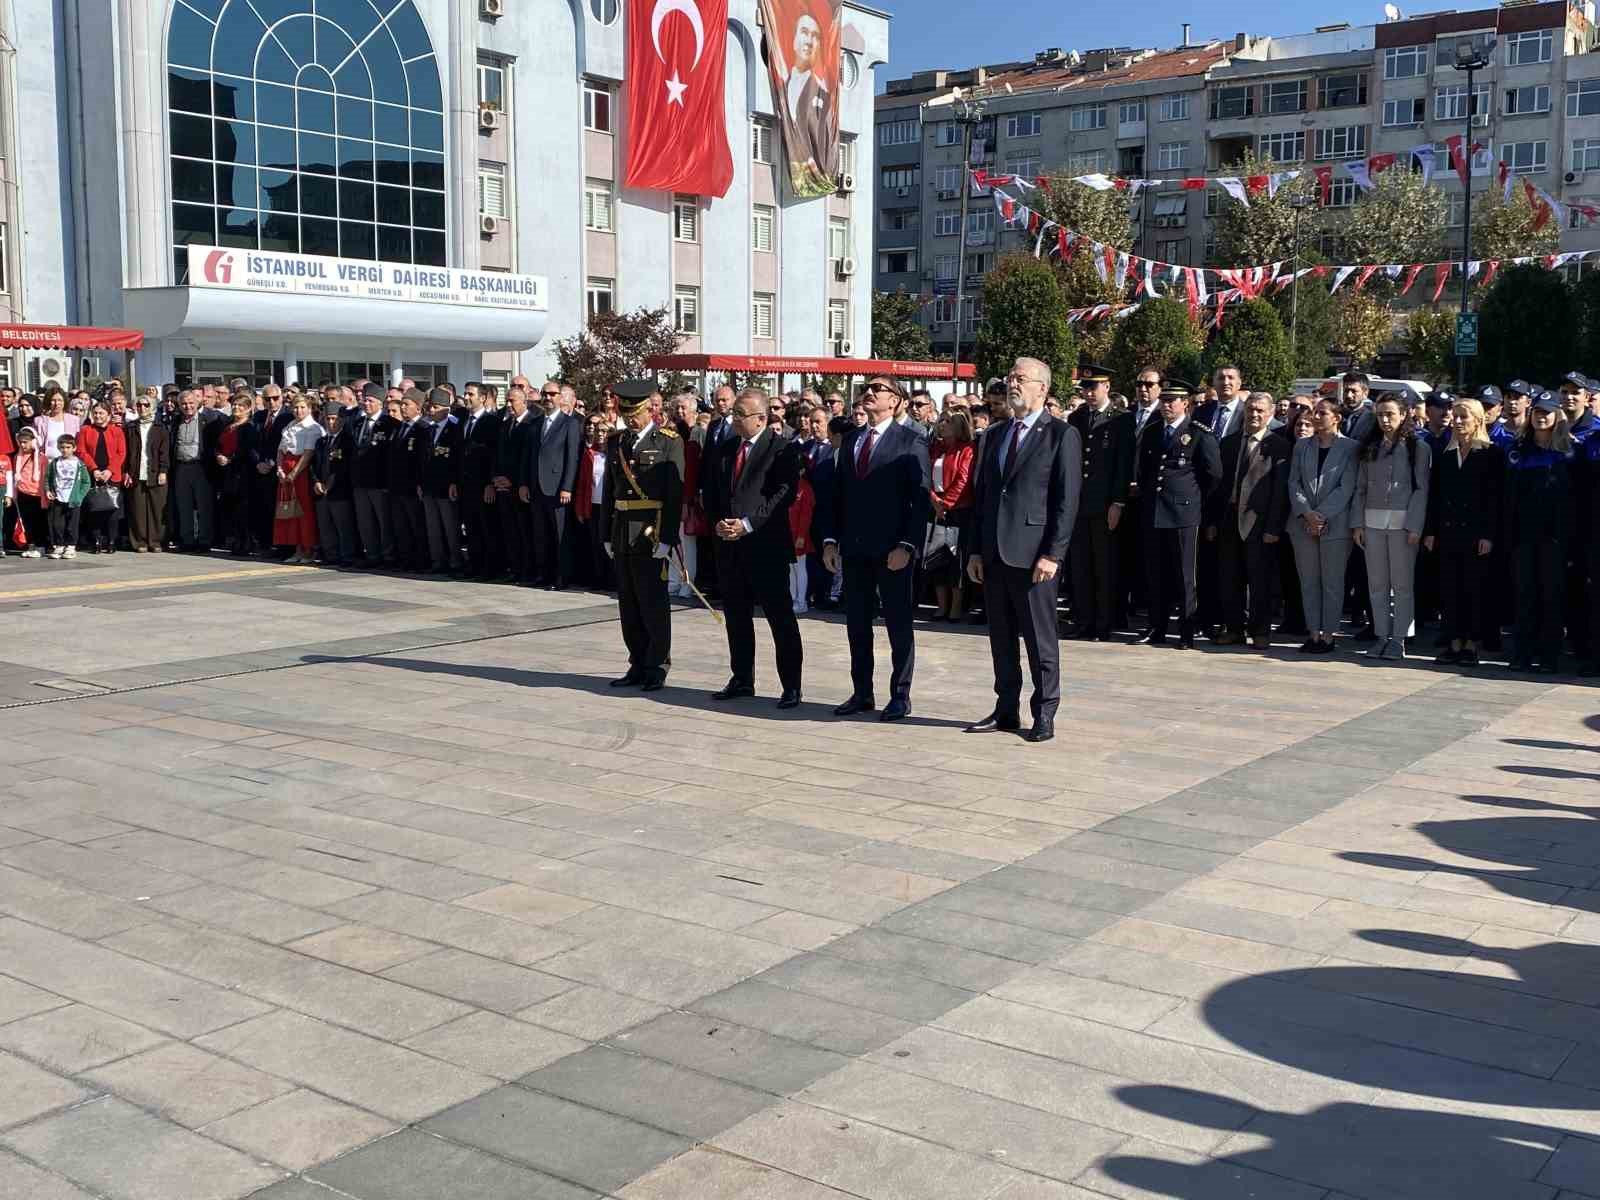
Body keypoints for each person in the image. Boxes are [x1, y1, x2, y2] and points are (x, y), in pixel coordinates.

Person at [965, 357, 1082, 743]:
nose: (1012, 383)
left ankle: (1045, 711)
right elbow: (982, 498)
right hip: (996, 552)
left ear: (1042, 388)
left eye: (1021, 378)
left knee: (1039, 639)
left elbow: (1066, 502)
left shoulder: (1060, 435)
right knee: (1001, 637)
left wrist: (1054, 553)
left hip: (1035, 557)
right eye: (1010, 377)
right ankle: (1005, 709)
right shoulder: (995, 435)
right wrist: (977, 551)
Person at [820, 376, 930, 722]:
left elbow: (920, 501)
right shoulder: (851, 440)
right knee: (856, 623)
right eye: (867, 387)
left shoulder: (911, 441)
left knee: (898, 623)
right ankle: (861, 692)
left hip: (892, 550)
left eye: (879, 389)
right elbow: (836, 496)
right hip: (854, 548)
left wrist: (908, 545)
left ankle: (900, 695)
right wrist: (829, 539)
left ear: (895, 401)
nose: (869, 392)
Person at [702, 387, 806, 708]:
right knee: (736, 615)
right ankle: (742, 678)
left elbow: (782, 495)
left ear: (761, 418)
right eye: (732, 414)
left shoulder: (781, 448)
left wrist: (747, 524)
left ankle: (791, 685)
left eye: (740, 415)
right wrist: (720, 521)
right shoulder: (727, 447)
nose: (733, 420)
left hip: (765, 546)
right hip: (730, 546)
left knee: (779, 617)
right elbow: (715, 490)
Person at [601, 380, 683, 691]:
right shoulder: (616, 442)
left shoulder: (668, 442)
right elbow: (609, 491)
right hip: (623, 530)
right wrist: (605, 534)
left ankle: (657, 665)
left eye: (634, 413)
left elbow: (674, 495)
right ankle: (636, 662)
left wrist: (667, 539)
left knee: (653, 603)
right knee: (629, 603)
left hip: (651, 531)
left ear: (649, 409)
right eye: (625, 413)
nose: (629, 419)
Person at [1134, 379, 1221, 649]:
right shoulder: (1151, 431)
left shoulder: (1198, 433)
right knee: (1155, 574)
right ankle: (1156, 627)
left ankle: (1186, 630)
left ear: (1186, 403)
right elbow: (1146, 471)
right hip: (1155, 512)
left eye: (1173, 400)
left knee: (1185, 576)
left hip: (1184, 514)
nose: (1167, 405)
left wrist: (1195, 503)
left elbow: (1214, 476)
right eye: (1164, 400)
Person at [1352, 393, 1432, 661]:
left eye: (1390, 414)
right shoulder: (1370, 446)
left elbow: (1421, 489)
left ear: (1403, 415)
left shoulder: (1417, 447)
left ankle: (1399, 638)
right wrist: (1357, 524)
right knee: (1376, 584)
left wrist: (1415, 526)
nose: (1386, 420)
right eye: (1381, 415)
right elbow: (1360, 488)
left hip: (1402, 524)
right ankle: (1381, 635)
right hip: (1372, 522)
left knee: (1402, 584)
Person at [1208, 392, 1290, 649]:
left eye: (1260, 411)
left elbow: (1280, 492)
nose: (1254, 415)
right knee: (1229, 578)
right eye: (1251, 409)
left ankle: (1260, 630)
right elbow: (1217, 486)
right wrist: (1212, 521)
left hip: (1259, 523)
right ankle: (1233, 628)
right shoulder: (1229, 443)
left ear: (1271, 413)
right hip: (1228, 520)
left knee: (1259, 580)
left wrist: (1273, 527)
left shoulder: (1278, 445)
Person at [1427, 398, 1503, 668]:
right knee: (1449, 588)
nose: (1457, 422)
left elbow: (1494, 499)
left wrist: (1488, 535)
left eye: (1463, 417)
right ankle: (1453, 642)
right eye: (1455, 416)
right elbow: (1435, 496)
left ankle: (1471, 643)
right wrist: (1431, 531)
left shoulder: (1492, 453)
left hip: (1475, 535)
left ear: (1478, 420)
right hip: (1448, 533)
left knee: (1474, 589)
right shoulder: (1446, 455)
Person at [1506, 390, 1574, 674]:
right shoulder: (1519, 450)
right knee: (1524, 596)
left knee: (1551, 597)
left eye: (1547, 412)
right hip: (1524, 536)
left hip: (1555, 538)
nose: (1541, 417)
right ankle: (1522, 653)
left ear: (1557, 416)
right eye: (1537, 412)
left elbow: (1574, 502)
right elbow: (1510, 498)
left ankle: (1549, 656)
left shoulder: (1569, 452)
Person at [1066, 363, 1136, 641]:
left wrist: (1118, 502)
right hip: (1080, 503)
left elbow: (1123, 464)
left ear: (1107, 386)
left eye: (1093, 387)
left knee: (1104, 567)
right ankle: (1083, 620)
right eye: (1085, 388)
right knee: (1080, 565)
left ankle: (1103, 623)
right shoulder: (1078, 418)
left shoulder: (1120, 419)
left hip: (1105, 503)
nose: (1089, 393)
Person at [1287, 396, 1359, 655]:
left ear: (1336, 418)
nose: (1316, 417)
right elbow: (1293, 483)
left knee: (1332, 582)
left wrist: (1320, 515)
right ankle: (1313, 633)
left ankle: (1328, 635)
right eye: (1315, 413)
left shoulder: (1351, 448)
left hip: (1336, 526)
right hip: (1302, 525)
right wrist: (1307, 513)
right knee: (1308, 581)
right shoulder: (1302, 446)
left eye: (1322, 413)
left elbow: (1346, 487)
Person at [522, 381, 581, 589]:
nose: (548, 398)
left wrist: (567, 486)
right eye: (545, 394)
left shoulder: (569, 424)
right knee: (540, 534)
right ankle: (543, 574)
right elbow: (529, 457)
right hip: (537, 487)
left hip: (557, 489)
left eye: (552, 394)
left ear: (560, 397)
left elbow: (572, 458)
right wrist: (524, 484)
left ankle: (561, 576)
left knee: (559, 535)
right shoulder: (535, 423)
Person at [927, 407, 976, 622]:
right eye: (941, 420)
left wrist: (945, 504)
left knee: (955, 561)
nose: (942, 424)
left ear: (958, 425)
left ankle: (955, 607)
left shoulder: (967, 449)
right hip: (935, 508)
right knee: (936, 559)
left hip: (957, 512)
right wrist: (933, 500)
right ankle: (941, 606)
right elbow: (924, 474)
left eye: (947, 421)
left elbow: (963, 480)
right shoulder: (935, 448)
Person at [418, 387, 464, 574]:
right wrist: (420, 483)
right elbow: (422, 460)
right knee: (433, 527)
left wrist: (454, 481)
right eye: (430, 407)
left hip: (447, 487)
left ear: (446, 408)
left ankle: (455, 560)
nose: (431, 411)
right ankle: (438, 560)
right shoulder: (427, 430)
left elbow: (457, 459)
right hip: (429, 486)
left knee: (450, 526)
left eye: (436, 407)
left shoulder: (455, 429)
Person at [458, 382, 502, 579]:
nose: (466, 397)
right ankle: (474, 565)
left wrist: (490, 484)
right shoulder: (463, 420)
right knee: (472, 527)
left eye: (471, 394)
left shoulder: (492, 422)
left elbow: (493, 456)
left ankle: (490, 568)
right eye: (465, 393)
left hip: (483, 485)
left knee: (487, 528)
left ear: (483, 398)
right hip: (466, 485)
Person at [494, 385, 537, 583]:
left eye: (513, 401)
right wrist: (497, 477)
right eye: (507, 401)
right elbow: (498, 455)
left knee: (524, 531)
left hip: (520, 486)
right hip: (503, 487)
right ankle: (515, 568)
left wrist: (514, 480)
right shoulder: (505, 425)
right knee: (509, 530)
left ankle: (528, 569)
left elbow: (527, 458)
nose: (509, 404)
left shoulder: (532, 424)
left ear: (524, 401)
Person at [273, 394, 323, 564]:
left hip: (301, 472)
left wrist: (294, 473)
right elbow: (281, 450)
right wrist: (279, 469)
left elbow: (308, 453)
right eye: (295, 407)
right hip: (286, 470)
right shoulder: (289, 425)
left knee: (304, 511)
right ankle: (297, 548)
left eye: (302, 407)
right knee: (290, 511)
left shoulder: (313, 427)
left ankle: (309, 549)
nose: (298, 411)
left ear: (309, 408)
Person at [349, 383, 394, 567]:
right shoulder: (358, 423)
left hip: (379, 482)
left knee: (383, 522)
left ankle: (388, 556)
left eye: (370, 400)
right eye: (364, 400)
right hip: (360, 482)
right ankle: (372, 555)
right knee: (365, 522)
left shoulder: (389, 423)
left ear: (380, 403)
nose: (365, 403)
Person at [76, 401, 127, 554]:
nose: (98, 416)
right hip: (93, 474)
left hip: (111, 475)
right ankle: (96, 541)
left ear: (108, 415)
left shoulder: (116, 431)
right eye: (95, 413)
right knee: (94, 509)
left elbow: (121, 453)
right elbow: (81, 451)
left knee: (112, 509)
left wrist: (110, 471)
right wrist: (94, 469)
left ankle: (111, 541)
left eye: (101, 413)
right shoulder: (85, 430)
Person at [169, 389, 216, 553]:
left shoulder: (208, 420)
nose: (188, 406)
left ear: (197, 403)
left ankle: (204, 540)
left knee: (204, 506)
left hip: (200, 467)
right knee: (184, 506)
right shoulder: (176, 421)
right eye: (184, 404)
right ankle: (187, 540)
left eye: (190, 403)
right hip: (181, 467)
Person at [312, 401, 358, 567]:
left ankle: (347, 555)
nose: (331, 423)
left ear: (342, 420)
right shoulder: (321, 442)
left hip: (340, 490)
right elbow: (314, 465)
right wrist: (316, 481)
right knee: (326, 526)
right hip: (321, 490)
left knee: (343, 525)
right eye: (327, 419)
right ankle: (330, 554)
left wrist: (332, 482)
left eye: (334, 419)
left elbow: (346, 467)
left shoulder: (347, 441)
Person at [123, 392, 170, 553]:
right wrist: (127, 471)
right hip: (136, 471)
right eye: (139, 405)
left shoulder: (160, 427)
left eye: (146, 405)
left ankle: (156, 541)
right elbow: (127, 452)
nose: (142, 408)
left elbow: (164, 451)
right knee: (138, 508)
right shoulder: (130, 427)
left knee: (157, 508)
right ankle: (140, 541)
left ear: (153, 407)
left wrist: (163, 470)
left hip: (155, 471)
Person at [386, 389, 427, 571]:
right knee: (400, 525)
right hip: (397, 486)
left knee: (416, 525)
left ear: (418, 408)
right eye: (401, 404)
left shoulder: (423, 429)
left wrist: (420, 482)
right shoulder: (400, 427)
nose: (402, 408)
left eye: (406, 404)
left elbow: (422, 459)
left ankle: (420, 560)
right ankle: (405, 559)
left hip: (413, 485)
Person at [573, 414, 612, 590]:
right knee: (596, 543)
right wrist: (580, 509)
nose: (600, 434)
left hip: (610, 506)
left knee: (610, 543)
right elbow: (582, 483)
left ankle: (614, 579)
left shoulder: (615, 454)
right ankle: (599, 579)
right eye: (598, 431)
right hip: (594, 506)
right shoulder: (590, 454)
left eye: (604, 431)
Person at [45, 433, 88, 558]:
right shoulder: (54, 463)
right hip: (58, 498)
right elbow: (48, 478)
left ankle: (71, 546)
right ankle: (59, 545)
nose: (65, 450)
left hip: (73, 499)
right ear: (58, 448)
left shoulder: (79, 464)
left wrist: (79, 496)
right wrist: (48, 490)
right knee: (57, 524)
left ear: (74, 448)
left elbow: (86, 482)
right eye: (62, 447)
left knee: (72, 525)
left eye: (68, 447)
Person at [9, 427, 45, 557]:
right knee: (26, 521)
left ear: (34, 442)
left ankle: (40, 545)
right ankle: (31, 545)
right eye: (21, 442)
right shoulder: (17, 457)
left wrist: (44, 496)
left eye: (26, 442)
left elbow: (44, 477)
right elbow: (14, 475)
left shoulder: (41, 458)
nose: (23, 445)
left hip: (37, 494)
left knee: (38, 521)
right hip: (23, 493)